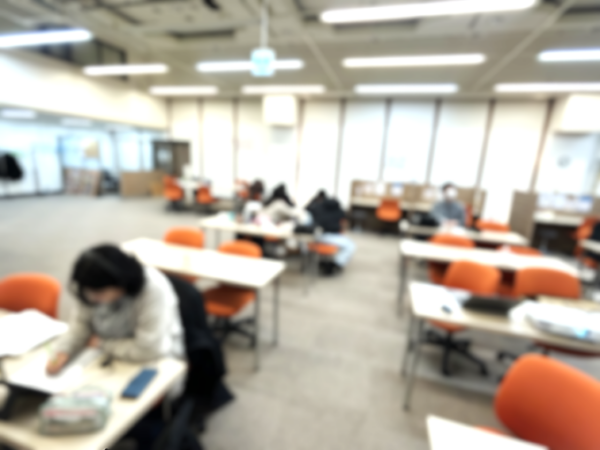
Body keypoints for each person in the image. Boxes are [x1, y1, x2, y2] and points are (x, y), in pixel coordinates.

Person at [47, 244, 231, 449]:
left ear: (121, 284)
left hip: (156, 360)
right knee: (71, 396)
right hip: (113, 355)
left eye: (98, 293)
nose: (91, 298)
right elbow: (80, 325)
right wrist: (62, 351)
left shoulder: (153, 289)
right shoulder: (90, 288)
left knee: (108, 410)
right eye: (87, 292)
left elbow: (149, 350)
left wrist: (102, 343)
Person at [306, 191, 356, 274]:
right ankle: (335, 265)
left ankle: (328, 264)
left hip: (315, 235)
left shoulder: (316, 207)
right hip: (329, 236)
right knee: (351, 246)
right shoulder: (339, 211)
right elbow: (344, 225)